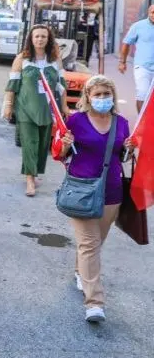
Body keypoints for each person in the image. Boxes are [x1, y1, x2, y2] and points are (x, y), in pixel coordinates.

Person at [59, 75, 135, 323]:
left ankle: (80, 271)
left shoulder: (121, 123)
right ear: (88, 97)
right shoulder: (76, 121)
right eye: (98, 94)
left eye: (106, 94)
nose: (102, 99)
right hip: (81, 191)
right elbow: (60, 154)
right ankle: (95, 303)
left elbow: (121, 156)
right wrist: (64, 144)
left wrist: (129, 149)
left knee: (93, 243)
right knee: (90, 246)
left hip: (112, 193)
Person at [3, 24, 69, 197]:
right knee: (30, 143)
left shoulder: (55, 60)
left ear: (49, 40)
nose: (40, 39)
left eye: (43, 37)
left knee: (42, 144)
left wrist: (64, 106)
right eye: (37, 36)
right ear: (31, 39)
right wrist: (9, 105)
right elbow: (13, 85)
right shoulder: (21, 59)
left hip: (47, 109)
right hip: (26, 108)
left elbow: (61, 85)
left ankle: (35, 171)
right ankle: (30, 179)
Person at [118, 4, 154, 112]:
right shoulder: (138, 26)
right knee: (142, 94)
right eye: (153, 12)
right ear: (148, 12)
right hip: (143, 67)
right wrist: (122, 62)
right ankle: (141, 123)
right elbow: (126, 43)